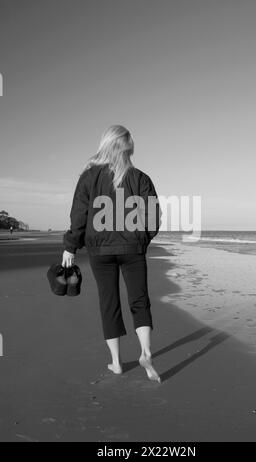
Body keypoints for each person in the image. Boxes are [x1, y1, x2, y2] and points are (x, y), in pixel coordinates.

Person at [62, 125, 161, 382]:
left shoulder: (89, 177)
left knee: (109, 303)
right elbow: (154, 217)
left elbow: (79, 215)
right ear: (129, 148)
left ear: (105, 145)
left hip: (100, 251)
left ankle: (116, 363)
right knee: (139, 300)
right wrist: (141, 239)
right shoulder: (141, 178)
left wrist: (70, 246)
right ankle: (146, 352)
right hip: (132, 249)